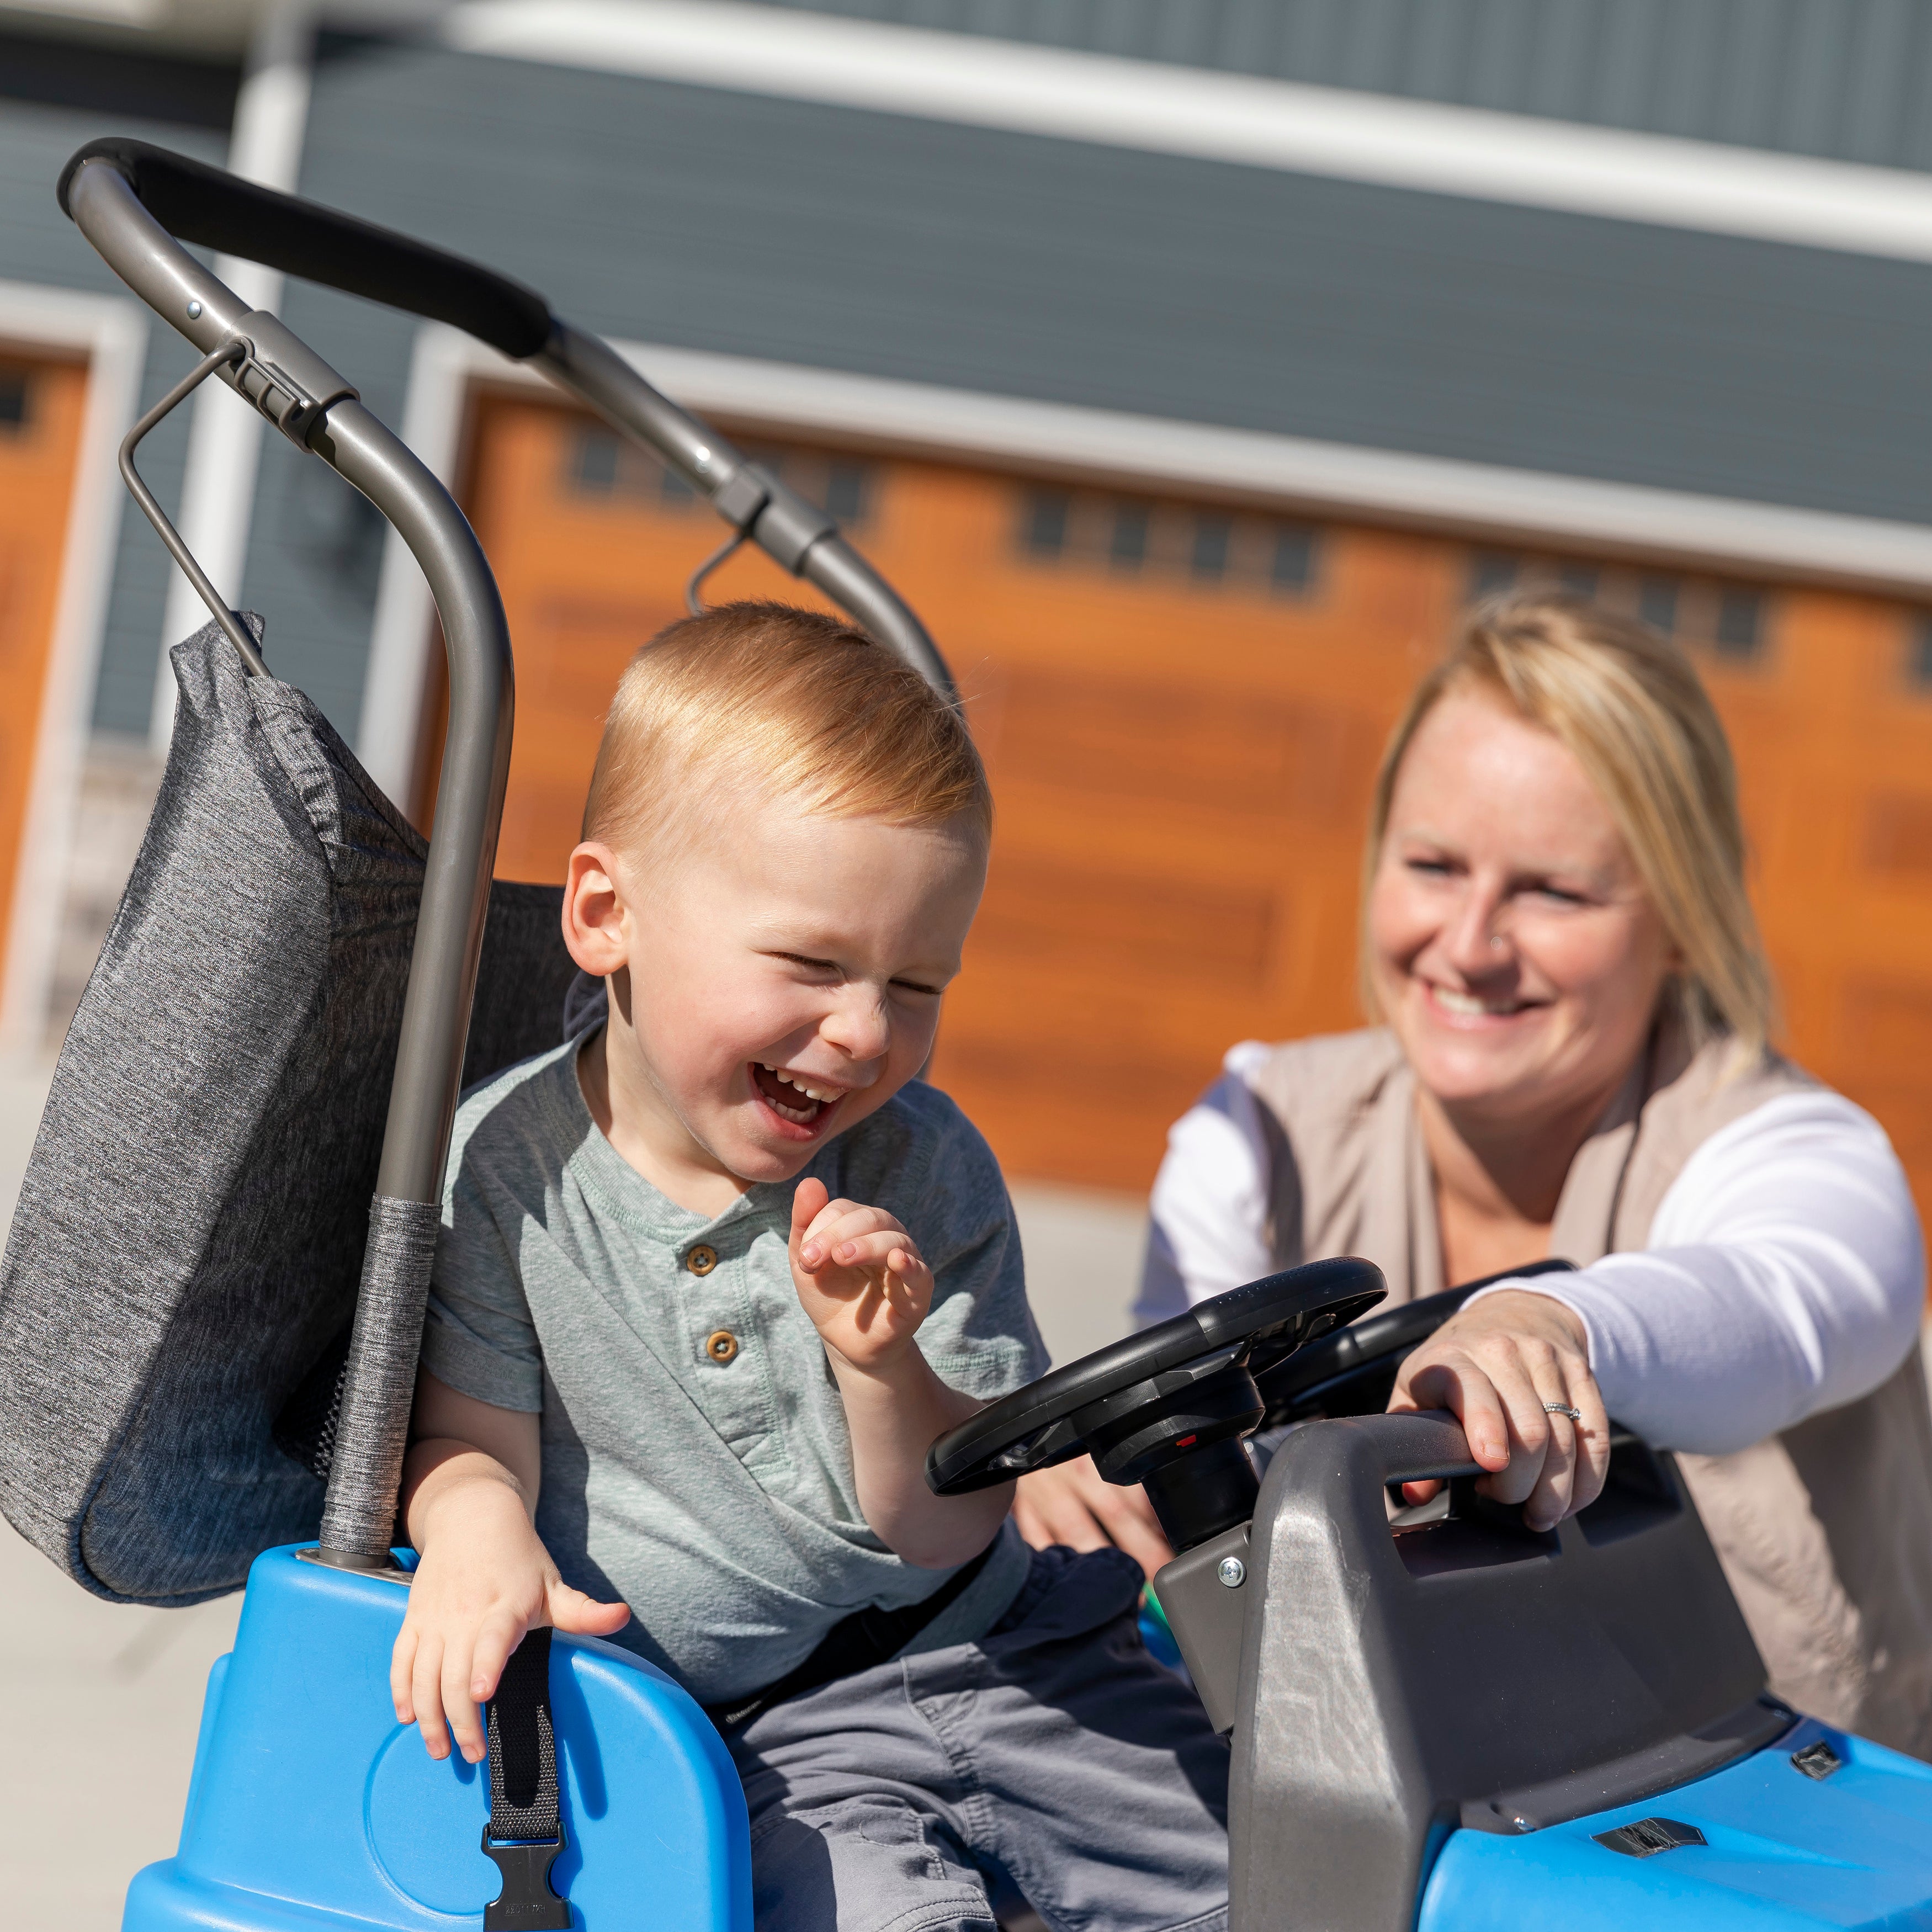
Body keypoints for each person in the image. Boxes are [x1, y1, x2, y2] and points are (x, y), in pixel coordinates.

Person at [389, 603, 1230, 1932]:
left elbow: (948, 1520)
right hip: (762, 1739)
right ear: (607, 913)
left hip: (1009, 1647)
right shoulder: (506, 1173)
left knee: (1284, 1875)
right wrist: (472, 1531)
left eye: (918, 984)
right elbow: (465, 1436)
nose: (861, 1032)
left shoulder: (924, 1164)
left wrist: (879, 1362)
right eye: (813, 963)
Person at [1017, 591, 1932, 1756]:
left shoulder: (1796, 1152)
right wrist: (1086, 1494)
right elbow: (1182, 1486)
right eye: (1434, 865)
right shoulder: (1261, 1132)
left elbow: (1783, 1308)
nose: (1470, 944)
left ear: (1685, 918)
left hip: (1779, 1840)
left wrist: (1547, 1326)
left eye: (1553, 890)